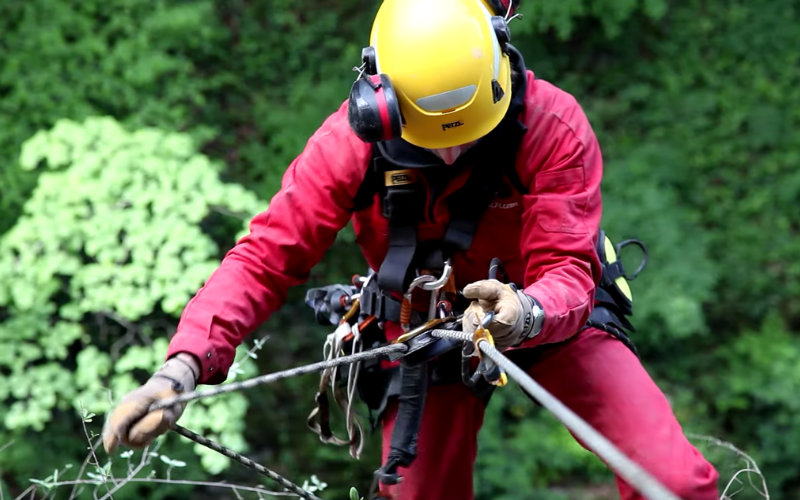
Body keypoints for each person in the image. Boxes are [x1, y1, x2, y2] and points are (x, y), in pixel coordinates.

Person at [101, 0, 720, 498]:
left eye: (470, 133)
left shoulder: (552, 126)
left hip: (552, 316)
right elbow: (265, 259)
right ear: (382, 101)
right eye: (435, 138)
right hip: (421, 330)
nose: (452, 153)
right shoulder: (351, 145)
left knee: (676, 482)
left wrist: (523, 312)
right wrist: (179, 369)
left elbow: (565, 266)